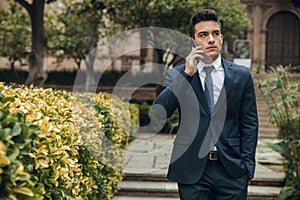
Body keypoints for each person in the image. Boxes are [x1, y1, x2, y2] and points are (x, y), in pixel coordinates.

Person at [151, 9, 258, 200]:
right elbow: (159, 112)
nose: (211, 39)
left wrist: (247, 165)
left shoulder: (241, 75)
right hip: (192, 170)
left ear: (222, 38)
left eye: (215, 34)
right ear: (193, 42)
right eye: (203, 35)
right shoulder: (178, 75)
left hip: (231, 170)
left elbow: (249, 123)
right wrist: (187, 74)